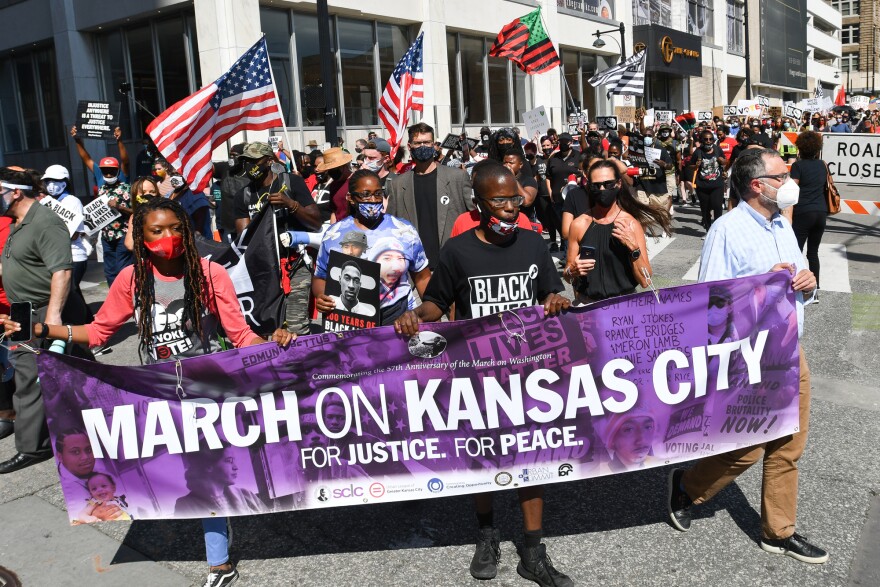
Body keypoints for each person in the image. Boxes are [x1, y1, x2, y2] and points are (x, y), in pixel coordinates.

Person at [2, 196, 294, 586]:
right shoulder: (131, 279)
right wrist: (41, 331)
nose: (168, 237)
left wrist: (275, 344)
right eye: (157, 231)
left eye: (176, 228)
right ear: (141, 237)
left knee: (204, 471)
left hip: (205, 391)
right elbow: (99, 332)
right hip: (155, 393)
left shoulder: (209, 274)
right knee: (173, 470)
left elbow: (239, 334)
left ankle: (218, 562)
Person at [393, 162, 572, 587]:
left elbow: (549, 291)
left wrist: (556, 301)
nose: (511, 207)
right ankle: (487, 533)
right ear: (479, 203)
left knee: (532, 457)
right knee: (483, 457)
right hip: (477, 373)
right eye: (500, 200)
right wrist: (412, 317)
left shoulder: (532, 244)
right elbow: (436, 303)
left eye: (515, 198)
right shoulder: (457, 251)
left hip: (529, 372)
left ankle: (533, 550)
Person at [667, 148, 827, 565]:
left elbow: (797, 290)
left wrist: (807, 284)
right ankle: (687, 486)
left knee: (789, 446)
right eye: (782, 175)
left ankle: (779, 532)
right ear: (759, 185)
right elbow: (711, 304)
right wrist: (760, 287)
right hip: (749, 356)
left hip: (792, 348)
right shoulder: (726, 230)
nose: (790, 181)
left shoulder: (782, 225)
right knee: (748, 447)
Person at [0, 168, 93, 474]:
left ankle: (107, 426)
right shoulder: (18, 223)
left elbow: (62, 271)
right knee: (27, 376)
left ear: (15, 191)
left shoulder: (45, 221)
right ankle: (34, 446)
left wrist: (53, 316)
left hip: (48, 311)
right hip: (22, 312)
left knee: (79, 372)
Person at [313, 169, 431, 325]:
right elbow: (320, 277)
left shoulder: (404, 231)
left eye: (378, 194)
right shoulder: (334, 234)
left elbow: (423, 277)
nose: (374, 200)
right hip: (350, 320)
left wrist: (430, 313)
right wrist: (321, 296)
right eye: (365, 194)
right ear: (351, 198)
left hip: (398, 317)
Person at [234, 142, 321, 335]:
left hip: (294, 263)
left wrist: (291, 204)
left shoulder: (291, 182)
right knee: (271, 325)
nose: (250, 166)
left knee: (296, 324)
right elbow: (243, 239)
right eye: (246, 161)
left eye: (254, 161)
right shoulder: (244, 195)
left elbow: (315, 222)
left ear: (269, 161)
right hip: (263, 269)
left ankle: (303, 361)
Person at [564, 160, 671, 303]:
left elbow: (645, 281)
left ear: (618, 184)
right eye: (596, 185)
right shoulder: (579, 224)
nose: (602, 189)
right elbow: (567, 274)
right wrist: (573, 271)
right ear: (589, 187)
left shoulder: (631, 224)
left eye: (608, 184)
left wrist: (634, 249)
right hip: (588, 305)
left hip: (623, 308)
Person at [385, 122, 473, 270]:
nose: (423, 146)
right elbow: (391, 225)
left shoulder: (457, 177)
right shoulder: (397, 184)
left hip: (452, 265)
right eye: (418, 143)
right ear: (409, 146)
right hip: (416, 270)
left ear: (433, 145)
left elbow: (472, 217)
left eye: (427, 142)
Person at [790, 131, 830, 296]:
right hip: (820, 212)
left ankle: (795, 286)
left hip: (803, 212)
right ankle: (815, 289)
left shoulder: (798, 166)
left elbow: (792, 189)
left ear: (800, 148)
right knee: (813, 252)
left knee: (795, 251)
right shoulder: (823, 164)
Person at [40, 165, 89, 293]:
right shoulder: (46, 202)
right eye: (48, 181)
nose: (51, 184)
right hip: (56, 257)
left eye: (55, 180)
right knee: (73, 295)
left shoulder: (72, 202)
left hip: (74, 257)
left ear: (65, 182)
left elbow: (74, 235)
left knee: (68, 293)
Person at [545, 132, 581, 252]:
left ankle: (572, 251)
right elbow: (548, 177)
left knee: (574, 226)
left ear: (571, 143)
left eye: (566, 142)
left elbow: (583, 174)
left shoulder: (577, 156)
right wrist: (550, 192)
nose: (563, 144)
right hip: (557, 198)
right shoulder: (553, 158)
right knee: (563, 227)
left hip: (574, 198)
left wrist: (576, 180)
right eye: (561, 142)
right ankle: (566, 251)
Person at [70, 125, 130, 189]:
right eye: (105, 171)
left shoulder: (122, 176)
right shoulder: (99, 175)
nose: (108, 175)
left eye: (112, 171)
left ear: (118, 170)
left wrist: (119, 140)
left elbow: (125, 162)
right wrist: (77, 140)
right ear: (101, 170)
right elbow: (86, 159)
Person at [691, 128, 727, 231]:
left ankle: (717, 229)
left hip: (717, 184)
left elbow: (725, 162)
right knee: (705, 209)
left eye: (710, 139)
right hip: (702, 185)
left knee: (717, 207)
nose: (708, 141)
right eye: (706, 139)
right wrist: (695, 166)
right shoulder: (698, 152)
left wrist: (722, 160)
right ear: (702, 140)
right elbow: (690, 166)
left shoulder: (717, 149)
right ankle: (708, 228)